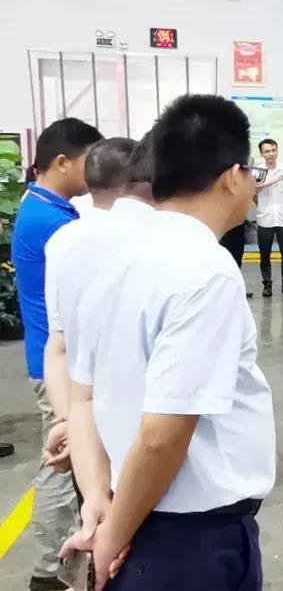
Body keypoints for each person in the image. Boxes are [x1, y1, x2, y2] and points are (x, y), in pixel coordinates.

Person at [60, 94, 276, 590]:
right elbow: (163, 435)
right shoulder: (207, 270)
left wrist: (98, 501)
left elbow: (84, 397)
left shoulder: (113, 257)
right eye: (252, 172)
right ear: (232, 176)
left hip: (128, 508)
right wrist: (113, 536)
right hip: (191, 541)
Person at [11, 117, 102, 591]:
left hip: (53, 355)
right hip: (57, 364)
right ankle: (48, 572)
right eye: (90, 161)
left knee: (68, 462)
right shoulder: (53, 223)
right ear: (62, 162)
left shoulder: (44, 208)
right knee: (63, 467)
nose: (94, 171)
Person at [41, 137, 138, 470]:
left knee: (91, 499)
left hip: (83, 418)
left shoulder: (62, 240)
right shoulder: (149, 238)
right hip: (136, 421)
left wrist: (66, 422)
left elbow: (57, 345)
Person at [254, 139, 283, 298]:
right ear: (261, 153)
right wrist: (275, 179)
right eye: (267, 151)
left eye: (273, 150)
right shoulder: (257, 171)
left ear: (277, 151)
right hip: (265, 219)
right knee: (265, 255)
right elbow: (254, 190)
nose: (270, 154)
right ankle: (267, 284)